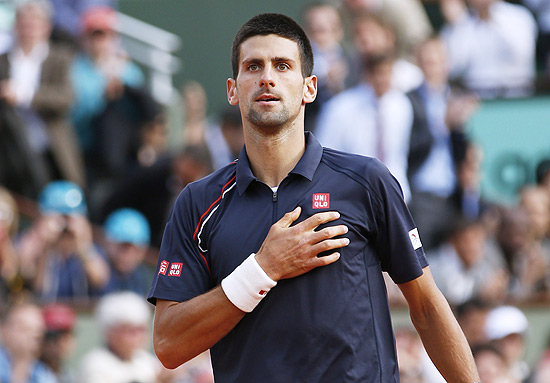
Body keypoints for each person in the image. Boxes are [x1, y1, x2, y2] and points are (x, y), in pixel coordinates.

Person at [148, 13, 480, 382]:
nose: (267, 77)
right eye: (253, 66)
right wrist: (263, 269)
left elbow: (427, 308)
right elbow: (168, 343)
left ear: (310, 87)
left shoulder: (367, 181)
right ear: (232, 89)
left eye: (283, 65)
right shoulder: (197, 202)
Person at [0, 0, 85, 198]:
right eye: (23, 23)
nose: (28, 30)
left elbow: (66, 97)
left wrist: (24, 95)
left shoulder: (61, 58)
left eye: (33, 24)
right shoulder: (4, 60)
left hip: (49, 148)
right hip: (9, 150)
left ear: (46, 27)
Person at [17, 180, 110, 303]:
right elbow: (37, 287)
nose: (65, 224)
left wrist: (82, 243)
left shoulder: (86, 248)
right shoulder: (30, 242)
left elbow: (100, 280)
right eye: (59, 216)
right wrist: (44, 242)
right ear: (41, 217)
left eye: (70, 217)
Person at [440, 0, 538, 99]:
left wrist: (491, 15)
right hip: (477, 100)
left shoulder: (519, 16)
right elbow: (453, 68)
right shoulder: (461, 22)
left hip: (518, 97)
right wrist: (458, 25)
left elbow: (521, 52)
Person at [78, 291, 174, 383]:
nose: (139, 336)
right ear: (111, 333)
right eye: (131, 331)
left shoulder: (147, 361)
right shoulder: (95, 364)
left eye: (141, 329)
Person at [0, 300, 57, 383]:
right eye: (25, 328)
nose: (34, 335)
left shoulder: (43, 375)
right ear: (3, 329)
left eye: (39, 330)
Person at [99, 208, 152, 296]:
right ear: (107, 243)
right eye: (123, 247)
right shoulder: (96, 265)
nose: (127, 255)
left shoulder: (142, 276)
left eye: (135, 249)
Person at [40, 303, 78, 383]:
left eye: (67, 335)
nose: (61, 343)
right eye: (54, 336)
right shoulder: (29, 373)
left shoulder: (67, 373)